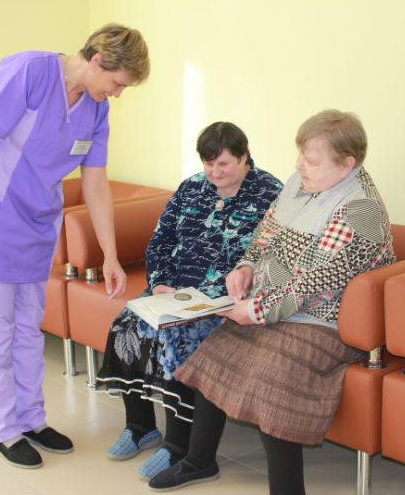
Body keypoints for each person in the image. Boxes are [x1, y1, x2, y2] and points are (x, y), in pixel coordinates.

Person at [0, 24, 150, 469]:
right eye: (118, 83)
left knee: (28, 330)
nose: (118, 93)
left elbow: (96, 184)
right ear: (98, 61)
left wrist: (109, 255)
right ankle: (4, 429)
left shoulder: (96, 110)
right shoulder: (29, 72)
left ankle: (32, 420)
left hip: (34, 230)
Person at [148, 109, 396, 494]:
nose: (298, 166)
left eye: (310, 160)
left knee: (273, 385)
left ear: (347, 164)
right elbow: (264, 234)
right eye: (300, 156)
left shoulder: (360, 209)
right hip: (275, 305)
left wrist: (257, 310)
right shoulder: (299, 183)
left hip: (325, 320)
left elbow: (318, 282)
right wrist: (246, 266)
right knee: (216, 353)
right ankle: (199, 462)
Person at [95, 122, 283, 480]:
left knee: (178, 337)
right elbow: (160, 240)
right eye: (208, 164)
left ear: (244, 157)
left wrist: (237, 297)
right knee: (126, 325)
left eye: (223, 164)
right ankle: (140, 427)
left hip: (223, 301)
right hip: (175, 292)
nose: (215, 172)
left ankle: (177, 445)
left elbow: (273, 258)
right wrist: (160, 284)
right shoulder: (191, 187)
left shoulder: (270, 194)